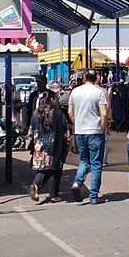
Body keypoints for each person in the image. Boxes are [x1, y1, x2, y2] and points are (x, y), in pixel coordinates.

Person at [68, 70, 108, 205]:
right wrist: (102, 128)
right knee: (96, 164)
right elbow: (104, 113)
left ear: (84, 78)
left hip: (80, 131)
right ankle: (93, 196)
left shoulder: (75, 92)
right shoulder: (99, 93)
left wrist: (76, 124)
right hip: (95, 131)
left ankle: (77, 183)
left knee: (84, 160)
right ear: (96, 78)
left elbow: (70, 112)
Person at [28, 92, 71, 203]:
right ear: (51, 99)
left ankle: (36, 184)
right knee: (55, 170)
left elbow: (31, 131)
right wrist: (68, 143)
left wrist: (33, 142)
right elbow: (65, 129)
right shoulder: (57, 113)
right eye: (56, 98)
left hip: (40, 146)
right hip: (54, 146)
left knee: (42, 168)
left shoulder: (36, 113)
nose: (57, 100)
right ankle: (53, 195)